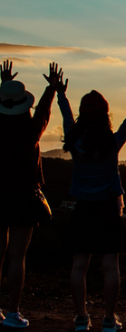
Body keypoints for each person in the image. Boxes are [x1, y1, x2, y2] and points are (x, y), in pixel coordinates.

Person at [57, 69, 126, 332]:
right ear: (105, 114)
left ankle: (81, 318)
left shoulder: (75, 141)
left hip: (83, 206)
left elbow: (65, 117)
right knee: (110, 266)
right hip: (109, 207)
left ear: (83, 113)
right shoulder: (112, 142)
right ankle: (109, 318)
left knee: (79, 265)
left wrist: (61, 93)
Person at [0, 60, 63, 329]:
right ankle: (13, 312)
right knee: (17, 256)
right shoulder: (30, 130)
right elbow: (45, 113)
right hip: (24, 196)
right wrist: (52, 87)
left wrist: (4, 84)